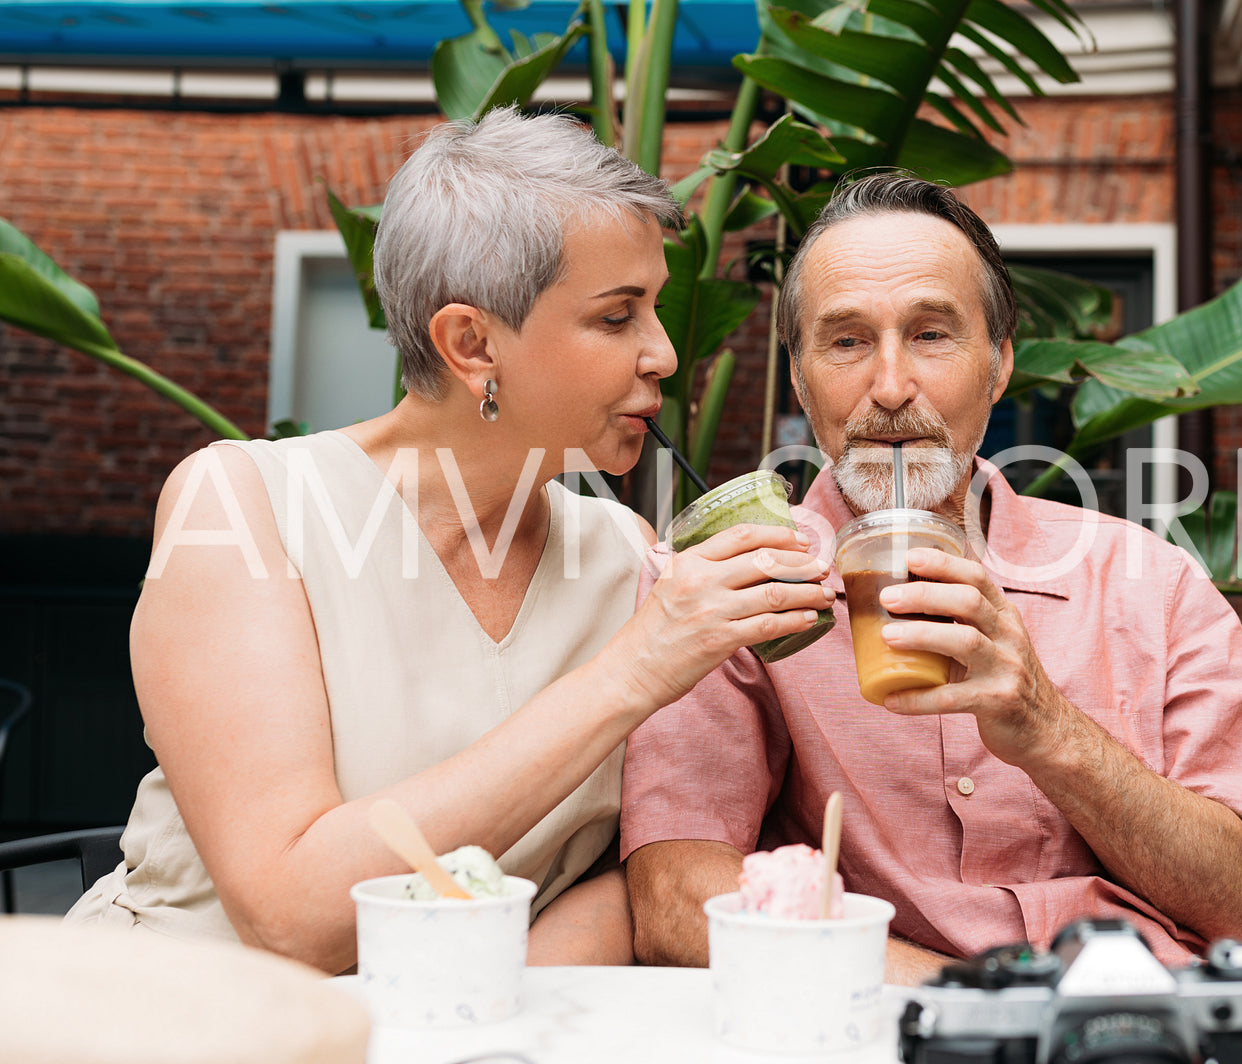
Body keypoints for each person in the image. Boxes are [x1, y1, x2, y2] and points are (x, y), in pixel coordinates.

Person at [621, 172, 1242, 1064]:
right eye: (846, 341)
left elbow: (1230, 900)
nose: (889, 387)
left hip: (1182, 1029)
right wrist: (996, 1010)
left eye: (931, 335)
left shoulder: (1148, 581)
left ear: (999, 362)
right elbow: (672, 901)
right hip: (890, 1028)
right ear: (801, 380)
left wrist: (1045, 725)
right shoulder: (732, 590)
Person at [65, 106, 833, 975]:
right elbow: (293, 916)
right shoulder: (244, 505)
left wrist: (494, 1010)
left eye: (654, 310)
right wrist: (638, 670)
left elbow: (625, 876)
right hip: (181, 1016)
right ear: (472, 344)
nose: (662, 353)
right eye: (617, 318)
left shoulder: (621, 552)